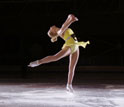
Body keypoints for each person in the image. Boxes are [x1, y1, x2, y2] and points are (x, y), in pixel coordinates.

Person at [28, 14, 90, 92]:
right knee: (56, 57)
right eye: (50, 29)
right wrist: (71, 20)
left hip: (76, 46)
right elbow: (67, 24)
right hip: (70, 46)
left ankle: (69, 85)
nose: (50, 27)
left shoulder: (61, 29)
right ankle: (38, 62)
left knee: (72, 68)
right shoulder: (60, 31)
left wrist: (69, 18)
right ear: (53, 31)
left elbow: (66, 23)